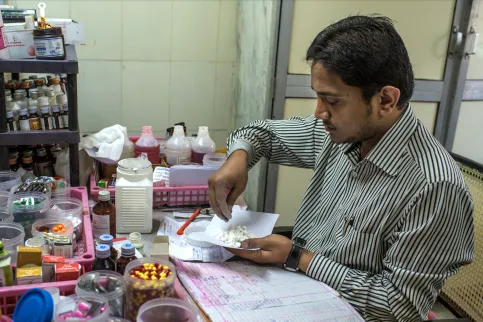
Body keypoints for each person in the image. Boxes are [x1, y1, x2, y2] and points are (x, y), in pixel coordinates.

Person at [208, 15, 474, 321]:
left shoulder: (434, 187)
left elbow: (399, 305)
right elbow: (260, 134)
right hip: (297, 292)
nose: (319, 113)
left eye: (331, 100)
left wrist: (299, 258)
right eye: (317, 96)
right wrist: (237, 160)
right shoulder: (339, 135)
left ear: (385, 100)